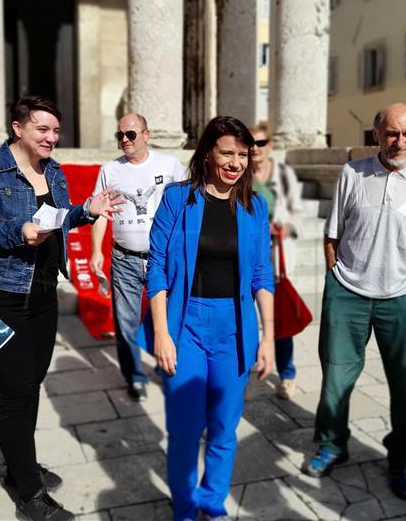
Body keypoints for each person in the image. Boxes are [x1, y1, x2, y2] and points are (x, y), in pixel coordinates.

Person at [0, 96, 123, 521]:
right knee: (15, 394)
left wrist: (85, 212)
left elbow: (56, 218)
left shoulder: (53, 170)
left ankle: (21, 465)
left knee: (31, 385)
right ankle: (30, 495)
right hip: (3, 296)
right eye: (43, 129)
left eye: (56, 131)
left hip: (42, 294)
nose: (52, 138)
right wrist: (18, 231)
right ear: (17, 128)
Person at [304, 103, 406, 502]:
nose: (398, 141)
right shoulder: (353, 172)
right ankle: (333, 444)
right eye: (391, 133)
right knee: (336, 375)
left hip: (405, 297)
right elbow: (332, 232)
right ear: (376, 133)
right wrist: (335, 276)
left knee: (405, 384)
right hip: (349, 291)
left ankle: (403, 457)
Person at [138, 116, 275, 521]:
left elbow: (262, 273)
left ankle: (212, 502)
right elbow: (158, 265)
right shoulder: (179, 198)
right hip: (186, 324)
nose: (236, 163)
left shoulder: (255, 205)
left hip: (235, 327)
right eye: (227, 153)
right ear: (208, 154)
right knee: (184, 429)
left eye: (243, 155)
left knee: (223, 427)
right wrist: (162, 332)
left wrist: (268, 337)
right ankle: (183, 507)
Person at [89, 113, 187, 401]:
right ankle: (134, 375)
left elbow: (186, 206)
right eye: (120, 135)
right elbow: (100, 213)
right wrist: (96, 250)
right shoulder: (110, 170)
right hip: (125, 258)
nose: (124, 140)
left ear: (146, 134)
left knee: (170, 318)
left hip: (164, 258)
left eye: (130, 134)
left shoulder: (169, 165)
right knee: (126, 322)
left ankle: (168, 365)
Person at [249, 122, 304, 400]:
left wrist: (282, 225)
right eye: (251, 143)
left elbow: (297, 215)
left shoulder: (283, 175)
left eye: (260, 143)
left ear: (270, 146)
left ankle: (287, 374)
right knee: (246, 317)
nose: (255, 149)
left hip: (276, 259)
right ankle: (248, 364)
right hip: (246, 258)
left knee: (278, 319)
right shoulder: (241, 174)